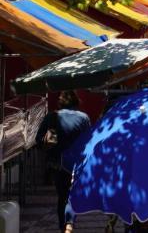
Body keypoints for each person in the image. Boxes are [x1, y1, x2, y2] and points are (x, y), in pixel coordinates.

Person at [36, 90, 91, 233]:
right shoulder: (84, 118)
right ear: (76, 101)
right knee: (71, 195)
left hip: (57, 163)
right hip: (76, 164)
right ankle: (69, 223)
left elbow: (39, 140)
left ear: (60, 102)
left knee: (62, 196)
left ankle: (64, 226)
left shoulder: (52, 117)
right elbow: (89, 141)